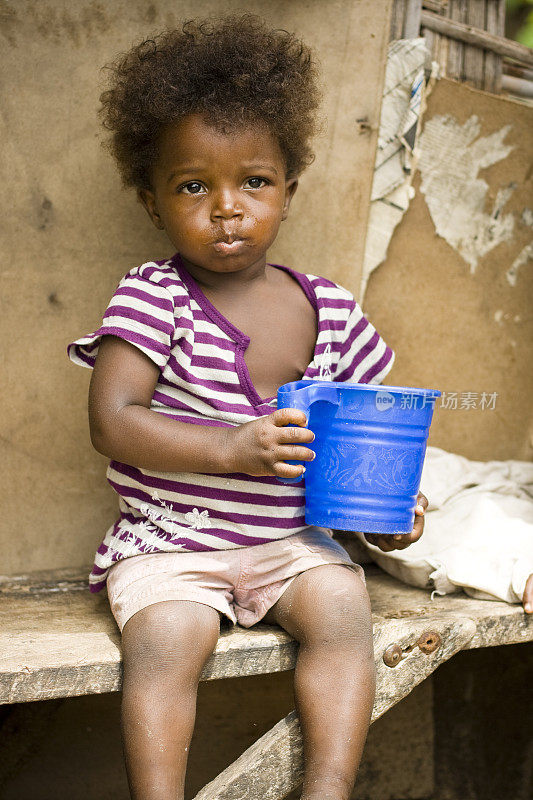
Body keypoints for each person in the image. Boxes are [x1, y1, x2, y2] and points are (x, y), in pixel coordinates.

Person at [67, 15, 427, 800]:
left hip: (286, 541)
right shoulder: (152, 297)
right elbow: (113, 420)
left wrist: (386, 513)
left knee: (341, 605)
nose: (226, 207)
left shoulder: (330, 309)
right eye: (194, 185)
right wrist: (229, 449)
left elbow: (360, 443)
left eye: (253, 182)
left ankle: (327, 787)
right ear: (153, 200)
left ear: (287, 193)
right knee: (168, 637)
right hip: (171, 540)